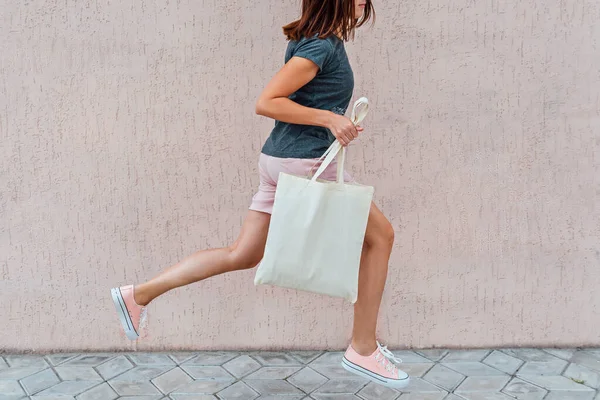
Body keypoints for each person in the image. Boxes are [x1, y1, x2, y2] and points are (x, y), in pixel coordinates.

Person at [110, 0, 409, 389]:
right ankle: (363, 349)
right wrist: (329, 118)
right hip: (304, 163)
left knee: (243, 254)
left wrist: (327, 115)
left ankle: (137, 295)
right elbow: (267, 101)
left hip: (278, 160)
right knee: (381, 237)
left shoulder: (314, 39)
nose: (363, 2)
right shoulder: (322, 46)